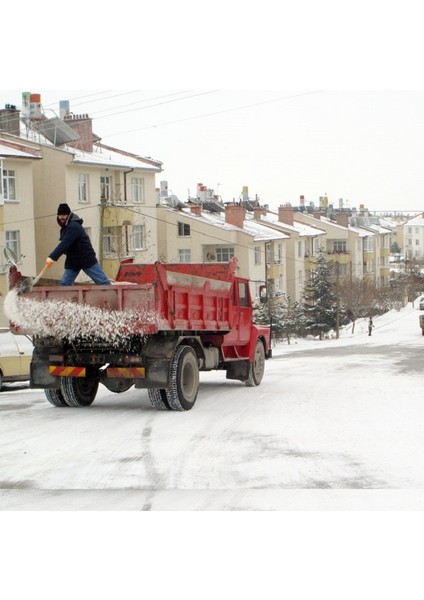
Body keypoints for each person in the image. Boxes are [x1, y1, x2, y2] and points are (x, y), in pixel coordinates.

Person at [46, 203, 111, 286]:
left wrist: (52, 257)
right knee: (65, 284)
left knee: (103, 282)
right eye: (60, 215)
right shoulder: (65, 227)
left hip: (86, 259)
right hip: (73, 260)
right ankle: (66, 299)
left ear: (68, 214)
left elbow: (65, 243)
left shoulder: (73, 226)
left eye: (64, 215)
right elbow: (65, 244)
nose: (62, 217)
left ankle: (115, 297)